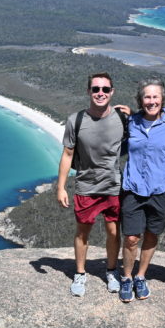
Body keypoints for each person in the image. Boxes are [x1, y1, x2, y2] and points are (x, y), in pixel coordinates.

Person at [56, 72, 127, 297]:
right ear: (88, 92)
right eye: (96, 89)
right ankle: (80, 273)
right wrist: (60, 187)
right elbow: (67, 154)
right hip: (86, 185)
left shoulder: (122, 118)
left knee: (114, 232)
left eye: (105, 89)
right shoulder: (75, 120)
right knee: (82, 232)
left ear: (112, 92)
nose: (100, 93)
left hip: (114, 185)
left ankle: (112, 271)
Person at [118, 79, 165, 303]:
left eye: (156, 97)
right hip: (133, 189)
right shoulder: (132, 122)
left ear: (162, 99)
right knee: (131, 238)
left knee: (152, 234)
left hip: (161, 189)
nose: (152, 101)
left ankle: (141, 276)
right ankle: (126, 277)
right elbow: (115, 145)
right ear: (140, 100)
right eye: (147, 97)